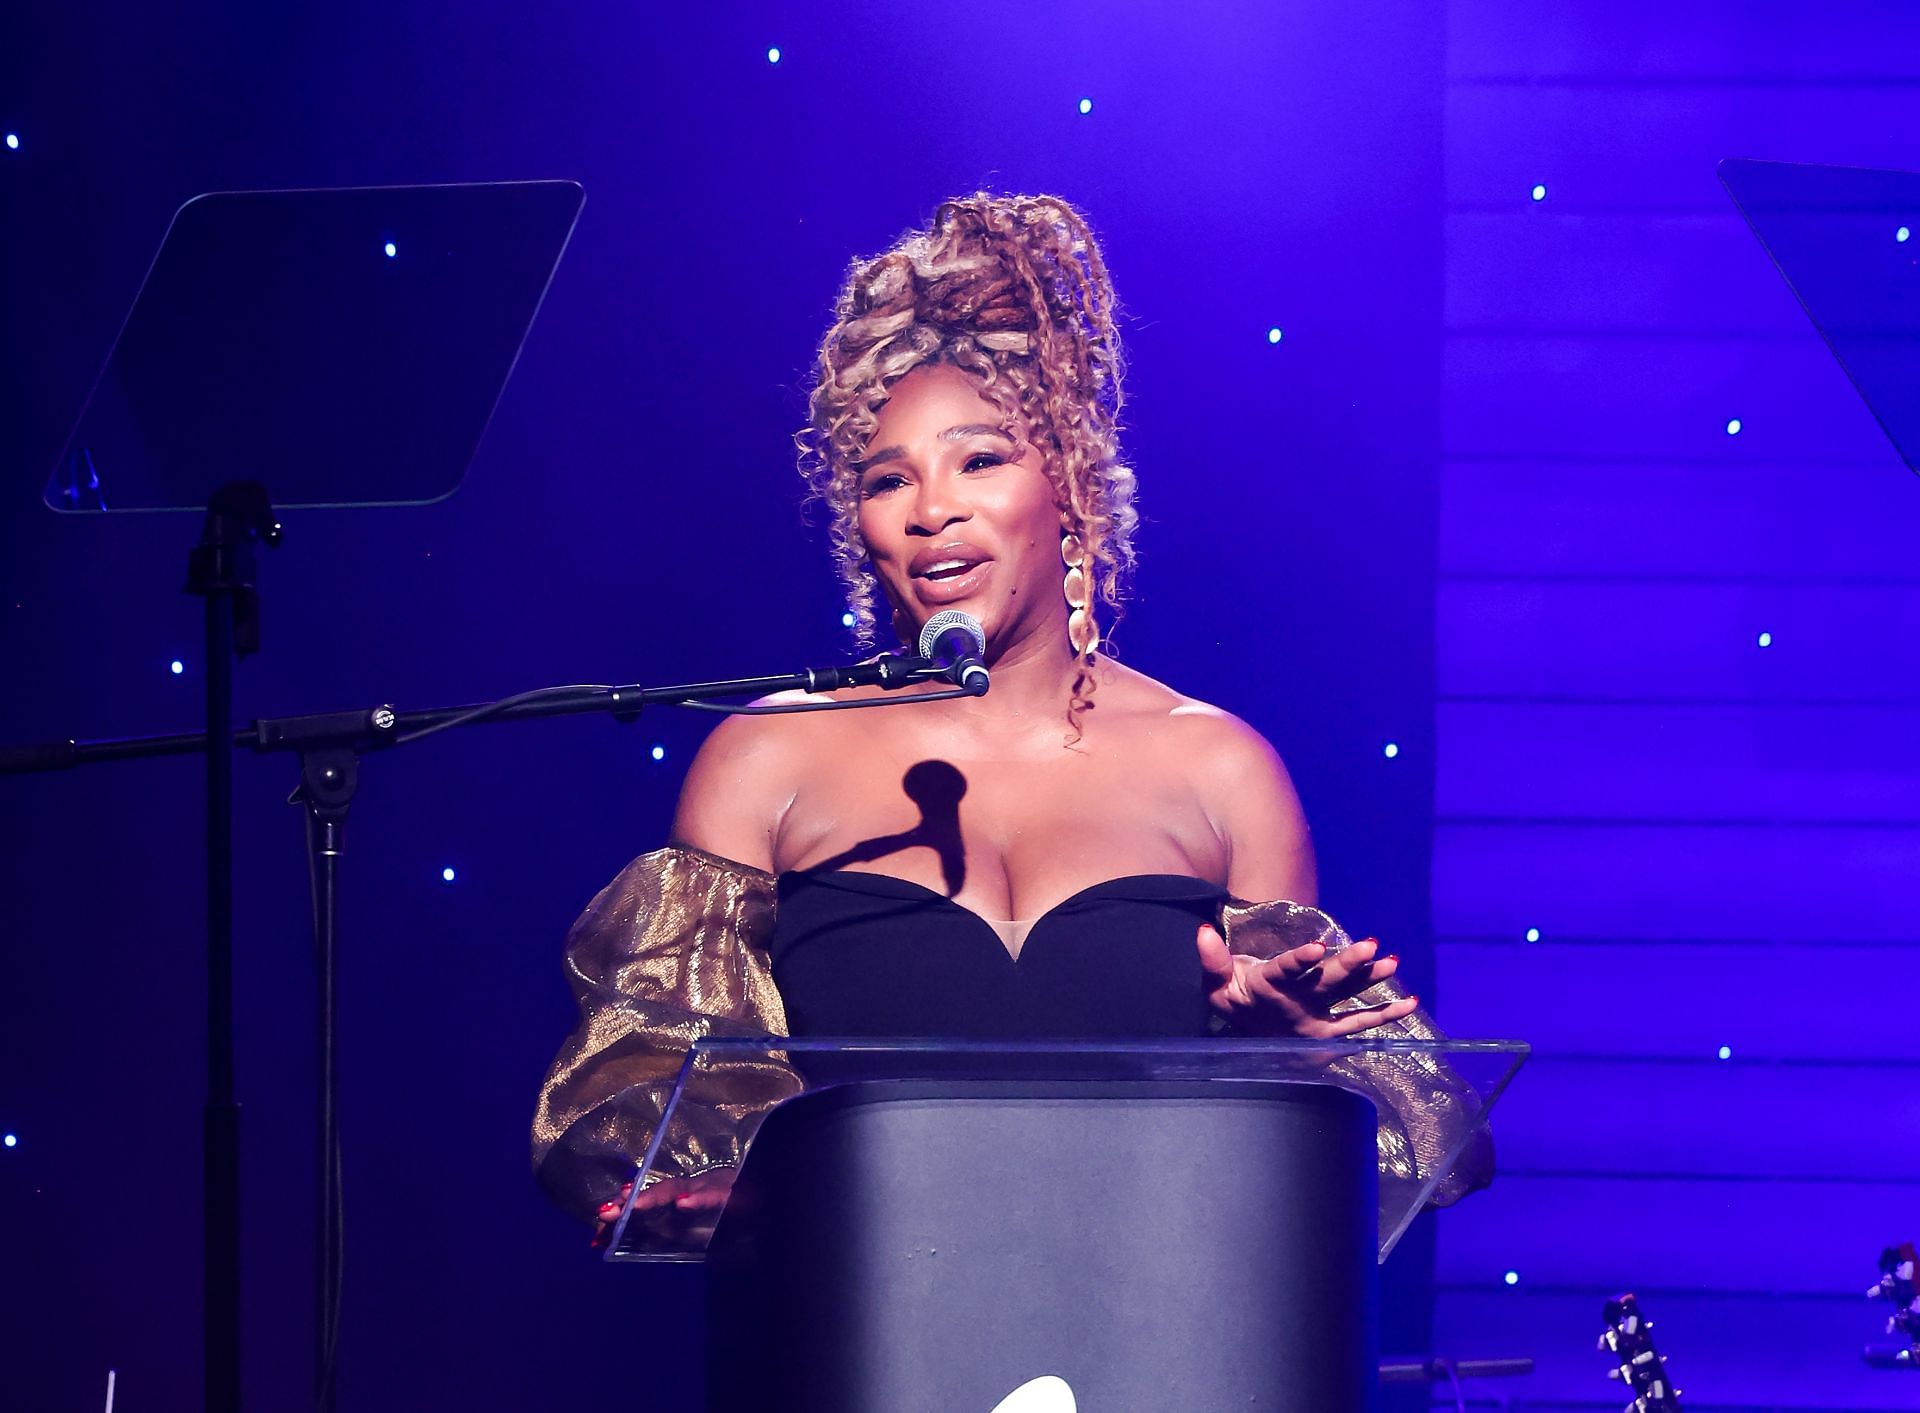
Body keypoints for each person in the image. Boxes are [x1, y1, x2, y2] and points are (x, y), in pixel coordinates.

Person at [531, 194, 1487, 1245]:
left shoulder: (1220, 768)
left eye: (979, 460)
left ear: (1070, 484)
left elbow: (1351, 1158)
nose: (930, 508)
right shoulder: (766, 759)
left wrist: (1281, 1057)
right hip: (862, 1332)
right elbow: (653, 1112)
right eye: (887, 478)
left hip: (1154, 1323)